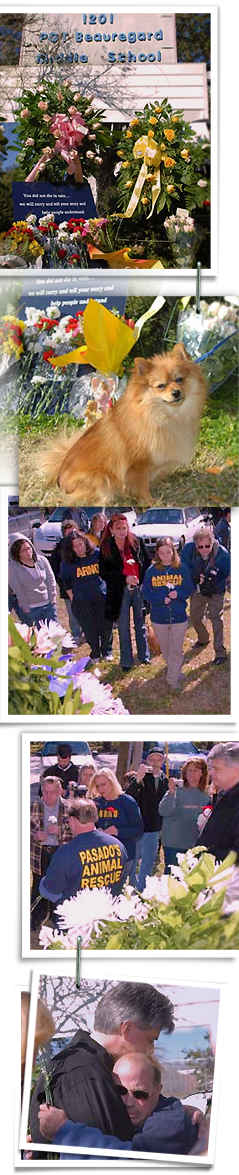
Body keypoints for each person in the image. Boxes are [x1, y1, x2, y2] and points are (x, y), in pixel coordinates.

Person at [30, 980, 175, 1144]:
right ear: (127, 1029)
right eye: (150, 1039)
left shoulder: (98, 1068)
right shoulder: (84, 1074)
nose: (151, 1049)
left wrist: (179, 1112)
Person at [38, 1050, 201, 1157]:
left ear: (158, 1091)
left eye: (140, 1094)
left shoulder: (169, 1124)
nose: (128, 1102)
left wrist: (63, 1131)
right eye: (120, 1091)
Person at [39, 797, 129, 906]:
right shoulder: (118, 845)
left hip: (77, 917)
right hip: (109, 914)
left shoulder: (66, 852)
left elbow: (50, 890)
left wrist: (43, 883)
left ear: (73, 820)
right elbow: (122, 879)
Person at [99, 514, 150, 671]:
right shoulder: (106, 547)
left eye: (124, 528)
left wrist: (139, 580)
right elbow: (104, 572)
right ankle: (126, 661)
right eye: (118, 529)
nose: (122, 532)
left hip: (138, 589)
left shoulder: (136, 542)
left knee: (140, 624)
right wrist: (124, 578)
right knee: (123, 626)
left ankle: (144, 656)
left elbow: (147, 562)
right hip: (119, 592)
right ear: (111, 530)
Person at [142, 537, 193, 690]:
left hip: (179, 616)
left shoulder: (181, 568)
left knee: (176, 648)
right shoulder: (151, 571)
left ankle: (172, 680)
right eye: (162, 553)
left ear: (174, 551)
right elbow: (146, 592)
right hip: (159, 618)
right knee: (166, 649)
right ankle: (175, 670)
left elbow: (189, 587)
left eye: (169, 552)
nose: (165, 556)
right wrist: (159, 599)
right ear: (157, 553)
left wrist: (179, 593)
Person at [181, 526, 230, 664]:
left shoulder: (223, 554)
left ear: (212, 542)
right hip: (198, 587)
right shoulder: (188, 550)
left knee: (216, 618)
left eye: (207, 546)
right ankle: (203, 638)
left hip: (216, 589)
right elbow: (184, 568)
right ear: (195, 545)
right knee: (195, 616)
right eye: (200, 546)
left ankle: (220, 652)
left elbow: (226, 573)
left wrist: (211, 579)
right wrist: (197, 577)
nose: (204, 549)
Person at [61, 530, 112, 661]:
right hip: (82, 601)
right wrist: (73, 597)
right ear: (71, 549)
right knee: (90, 629)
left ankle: (107, 651)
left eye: (81, 544)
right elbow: (65, 582)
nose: (79, 548)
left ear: (86, 542)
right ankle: (95, 652)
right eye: (75, 546)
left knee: (105, 626)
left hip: (101, 597)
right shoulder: (68, 563)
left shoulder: (97, 554)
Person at [30, 777, 71, 931]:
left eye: (52, 792)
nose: (48, 796)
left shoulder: (69, 808)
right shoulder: (34, 806)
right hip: (40, 854)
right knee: (38, 887)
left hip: (61, 854)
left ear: (60, 791)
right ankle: (36, 919)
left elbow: (76, 832)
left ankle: (57, 919)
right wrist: (34, 834)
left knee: (60, 888)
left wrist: (60, 831)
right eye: (45, 792)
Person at [124, 749, 168, 891]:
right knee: (133, 860)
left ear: (163, 762)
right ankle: (131, 889)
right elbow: (128, 797)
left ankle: (142, 891)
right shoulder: (141, 777)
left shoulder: (164, 779)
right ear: (147, 761)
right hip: (139, 827)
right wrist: (137, 779)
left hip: (154, 828)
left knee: (148, 862)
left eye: (159, 760)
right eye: (152, 760)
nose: (155, 763)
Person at [88, 769, 143, 878]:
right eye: (97, 786)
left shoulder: (127, 802)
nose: (101, 789)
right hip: (101, 855)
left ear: (112, 782)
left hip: (124, 854)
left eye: (103, 784)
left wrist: (117, 831)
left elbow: (138, 829)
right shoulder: (96, 803)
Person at [159, 756, 209, 873]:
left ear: (202, 773)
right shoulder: (176, 790)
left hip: (194, 845)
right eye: (189, 770)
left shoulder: (207, 795)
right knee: (172, 880)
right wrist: (171, 792)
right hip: (173, 844)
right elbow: (163, 811)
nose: (191, 773)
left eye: (195, 770)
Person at [196, 742, 239, 862]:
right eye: (211, 768)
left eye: (216, 768)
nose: (211, 773)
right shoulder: (225, 796)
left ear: (236, 769)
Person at [8, 536, 58, 629]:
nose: (28, 552)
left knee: (55, 636)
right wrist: (26, 608)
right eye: (23, 550)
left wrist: (52, 600)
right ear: (17, 553)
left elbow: (51, 580)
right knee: (37, 639)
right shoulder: (12, 567)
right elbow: (18, 589)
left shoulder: (42, 560)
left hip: (48, 605)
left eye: (29, 548)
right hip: (31, 609)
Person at [49, 518, 83, 646]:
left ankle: (86, 631)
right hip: (67, 588)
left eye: (73, 532)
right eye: (68, 532)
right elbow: (56, 571)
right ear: (63, 533)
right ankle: (76, 634)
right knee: (72, 613)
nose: (71, 535)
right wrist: (64, 587)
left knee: (85, 611)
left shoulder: (82, 546)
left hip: (83, 586)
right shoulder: (58, 550)